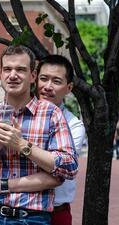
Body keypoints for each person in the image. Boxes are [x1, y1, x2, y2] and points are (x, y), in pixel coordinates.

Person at [0, 45, 78, 225]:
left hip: (32, 218)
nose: (13, 75)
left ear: (32, 76)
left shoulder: (51, 113)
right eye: (7, 69)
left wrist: (21, 144)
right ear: (1, 74)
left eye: (21, 70)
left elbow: (69, 168)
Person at [36, 55, 85, 225]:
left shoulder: (74, 125)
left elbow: (58, 170)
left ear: (69, 87)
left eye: (56, 81)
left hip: (55, 214)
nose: (48, 87)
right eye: (43, 79)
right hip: (18, 212)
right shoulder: (20, 114)